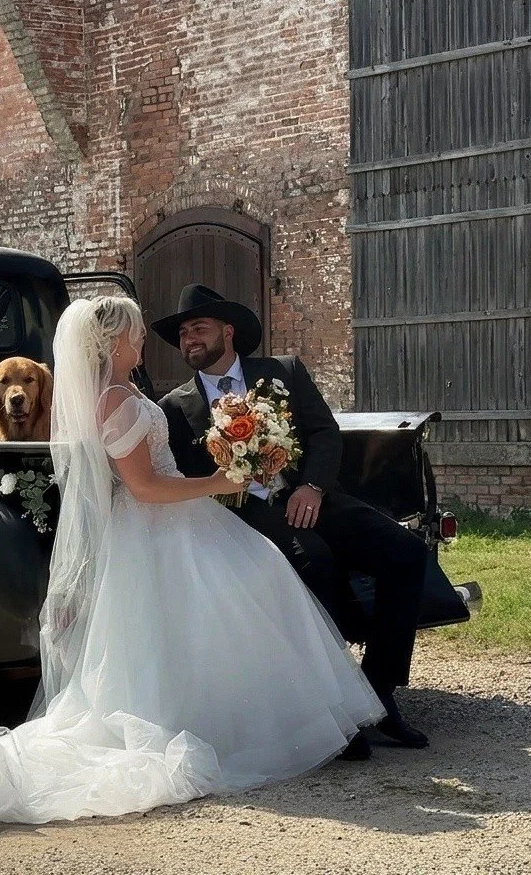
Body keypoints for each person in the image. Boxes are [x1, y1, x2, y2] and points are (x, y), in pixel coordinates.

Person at [0, 296, 383, 835]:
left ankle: (252, 717)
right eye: (135, 333)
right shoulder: (115, 401)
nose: (143, 340)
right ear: (113, 342)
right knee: (240, 589)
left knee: (247, 586)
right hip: (157, 527)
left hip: (174, 524)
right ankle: (238, 726)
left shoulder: (125, 393)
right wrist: (221, 481)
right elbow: (145, 487)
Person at [155, 284, 431, 758]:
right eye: (182, 334)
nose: (189, 340)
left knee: (406, 552)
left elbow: (324, 432)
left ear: (228, 331)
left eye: (198, 328)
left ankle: (379, 692)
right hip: (244, 514)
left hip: (311, 496)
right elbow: (184, 480)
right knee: (315, 563)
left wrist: (313, 486)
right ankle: (332, 710)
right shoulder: (175, 407)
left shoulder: (282, 372)